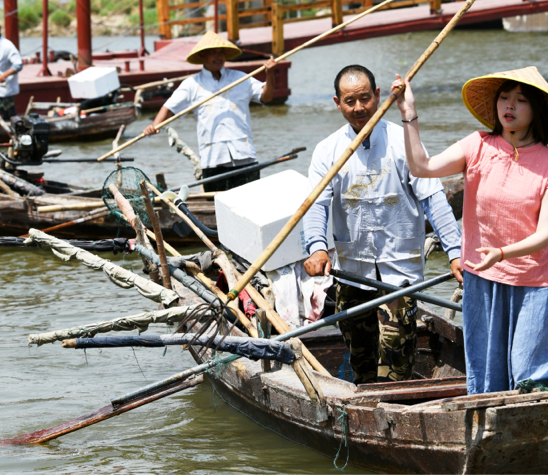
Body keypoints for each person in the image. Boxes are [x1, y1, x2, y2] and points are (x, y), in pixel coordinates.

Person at [397, 66, 548, 395]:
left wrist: (502, 254)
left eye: (520, 100)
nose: (509, 106)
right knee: (487, 373)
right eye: (504, 98)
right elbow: (422, 167)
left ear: (536, 110)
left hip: (534, 280)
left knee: (530, 372)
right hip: (483, 276)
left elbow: (545, 235)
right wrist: (409, 113)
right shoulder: (477, 146)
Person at [303, 64, 463, 384]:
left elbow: (434, 199)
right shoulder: (328, 150)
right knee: (361, 360)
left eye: (365, 98)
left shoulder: (404, 141)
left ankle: (393, 403)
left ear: (378, 96)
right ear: (338, 103)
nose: (359, 108)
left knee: (395, 359)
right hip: (350, 271)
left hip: (399, 272)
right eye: (350, 102)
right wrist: (317, 248)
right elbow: (315, 205)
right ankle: (367, 403)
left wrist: (456, 251)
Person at [143, 31, 276, 192]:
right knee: (215, 209)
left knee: (250, 205)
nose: (218, 56)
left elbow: (266, 96)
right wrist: (155, 126)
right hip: (213, 159)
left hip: (244, 155)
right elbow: (169, 107)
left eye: (221, 52)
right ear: (203, 56)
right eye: (213, 53)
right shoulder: (192, 84)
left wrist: (270, 75)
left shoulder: (240, 78)